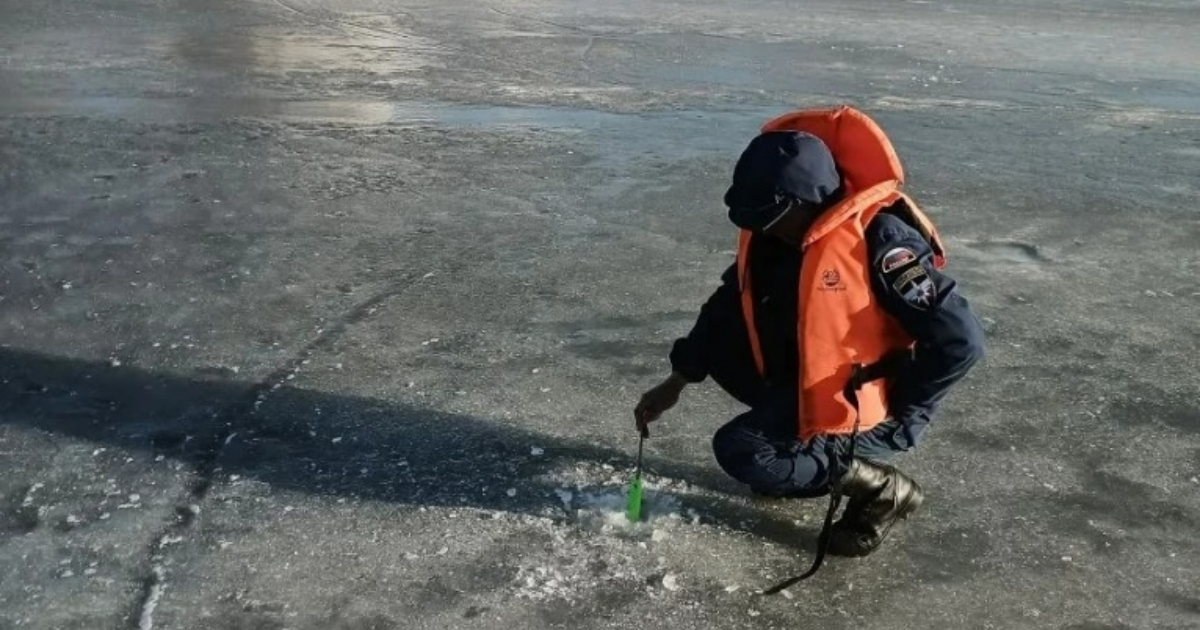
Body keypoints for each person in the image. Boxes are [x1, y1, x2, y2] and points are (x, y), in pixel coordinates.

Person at [634, 106, 985, 557]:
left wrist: (905, 406)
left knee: (742, 451)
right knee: (725, 336)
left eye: (768, 217)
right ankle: (799, 458)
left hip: (867, 401)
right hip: (809, 383)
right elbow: (726, 307)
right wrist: (675, 382)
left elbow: (962, 341)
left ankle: (880, 488)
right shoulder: (779, 237)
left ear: (806, 201)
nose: (759, 228)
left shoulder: (882, 243)